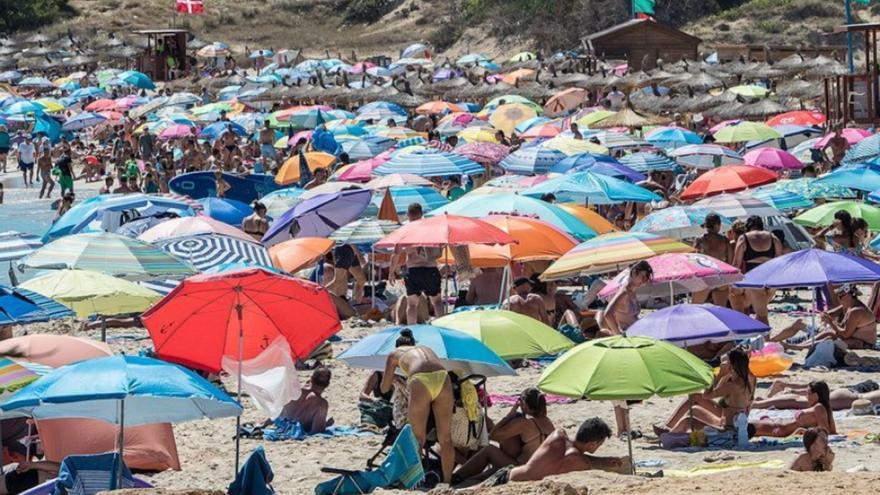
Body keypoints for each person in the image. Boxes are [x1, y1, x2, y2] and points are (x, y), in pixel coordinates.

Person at [380, 329, 454, 484]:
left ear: (396, 346)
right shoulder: (427, 349)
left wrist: (394, 379)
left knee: (418, 438)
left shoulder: (394, 354)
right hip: (442, 377)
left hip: (420, 380)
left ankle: (416, 481)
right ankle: (448, 482)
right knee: (445, 438)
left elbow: (384, 388)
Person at [482, 418, 629, 486]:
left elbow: (571, 455)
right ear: (592, 444)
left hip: (509, 472)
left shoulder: (559, 435)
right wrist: (603, 462)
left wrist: (603, 460)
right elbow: (579, 460)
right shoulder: (580, 463)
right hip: (508, 483)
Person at [453, 388, 554, 484]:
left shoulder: (525, 424)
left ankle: (457, 476)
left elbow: (493, 435)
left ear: (525, 404)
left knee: (489, 450)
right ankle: (470, 479)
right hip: (541, 468)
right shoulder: (549, 423)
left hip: (523, 468)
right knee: (495, 469)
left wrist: (509, 415)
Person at [660, 348, 755, 434]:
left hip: (728, 430)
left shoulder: (732, 385)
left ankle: (666, 435)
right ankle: (669, 429)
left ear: (731, 365)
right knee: (694, 409)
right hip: (738, 424)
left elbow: (707, 395)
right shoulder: (749, 379)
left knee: (688, 421)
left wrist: (720, 375)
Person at [771, 285, 877, 350]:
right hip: (840, 334)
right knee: (799, 323)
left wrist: (831, 322)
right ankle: (771, 341)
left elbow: (845, 334)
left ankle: (798, 347)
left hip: (860, 343)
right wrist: (825, 316)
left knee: (829, 334)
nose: (839, 299)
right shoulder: (847, 306)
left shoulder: (856, 311)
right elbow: (829, 314)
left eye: (840, 296)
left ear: (849, 295)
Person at [389, 204, 444, 324]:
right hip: (430, 269)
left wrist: (391, 272)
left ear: (408, 215)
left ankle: (412, 329)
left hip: (413, 270)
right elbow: (440, 247)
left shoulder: (405, 230)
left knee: (412, 304)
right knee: (437, 301)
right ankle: (441, 326)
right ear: (421, 214)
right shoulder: (431, 229)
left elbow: (396, 253)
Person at [731, 216, 781, 324]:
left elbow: (736, 263)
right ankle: (758, 336)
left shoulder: (744, 238)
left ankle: (766, 339)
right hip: (771, 278)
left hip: (754, 278)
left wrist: (731, 281)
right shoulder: (773, 237)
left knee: (761, 314)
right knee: (760, 309)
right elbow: (780, 261)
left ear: (748, 227)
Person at [752, 381, 837, 437]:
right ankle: (767, 420)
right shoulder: (824, 407)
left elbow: (825, 431)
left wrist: (804, 431)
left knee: (745, 429)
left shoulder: (819, 408)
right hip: (780, 426)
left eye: (808, 394)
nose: (806, 397)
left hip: (780, 429)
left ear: (816, 395)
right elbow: (832, 430)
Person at [598, 260, 652, 336]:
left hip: (634, 332)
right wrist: (618, 334)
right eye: (642, 276)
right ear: (633, 273)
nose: (643, 281)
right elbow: (608, 314)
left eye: (646, 278)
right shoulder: (624, 292)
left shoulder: (631, 291)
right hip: (628, 334)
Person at [692, 213, 731, 307]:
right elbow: (730, 260)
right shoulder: (724, 240)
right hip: (720, 274)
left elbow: (694, 258)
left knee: (695, 307)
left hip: (705, 275)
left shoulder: (700, 239)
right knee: (721, 309)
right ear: (717, 225)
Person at [279, 367, 333, 434]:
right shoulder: (321, 403)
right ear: (328, 384)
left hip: (281, 425)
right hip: (295, 430)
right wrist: (327, 424)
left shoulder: (295, 390)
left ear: (312, 379)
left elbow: (277, 411)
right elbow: (317, 430)